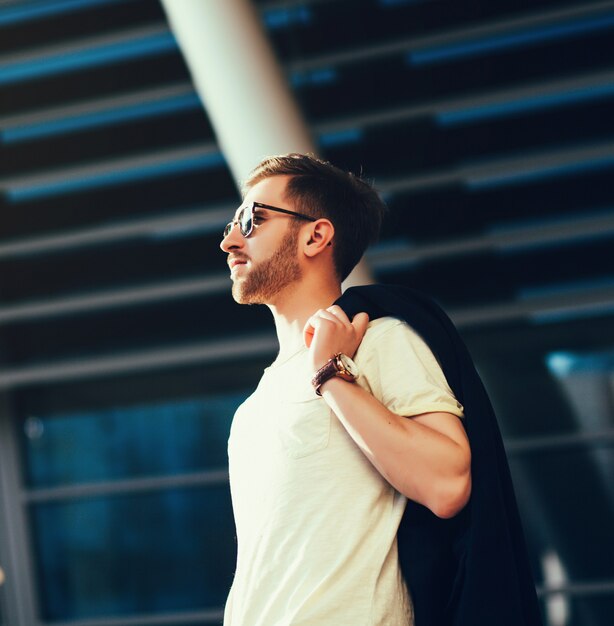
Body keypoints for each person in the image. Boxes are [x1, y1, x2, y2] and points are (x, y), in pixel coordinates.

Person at [219, 153, 541, 626]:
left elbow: (447, 482)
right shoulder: (251, 410)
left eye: (252, 220)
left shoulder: (378, 340)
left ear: (316, 235)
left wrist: (331, 375)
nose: (229, 241)